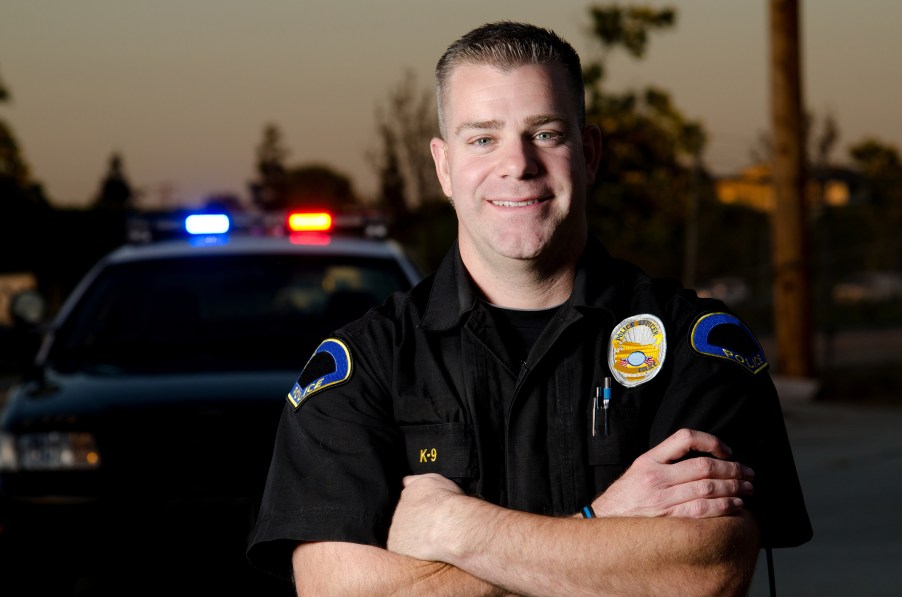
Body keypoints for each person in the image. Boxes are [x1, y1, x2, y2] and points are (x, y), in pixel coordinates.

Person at [247, 21, 812, 596]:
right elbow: (338, 590)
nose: (517, 165)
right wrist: (603, 525)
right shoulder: (364, 366)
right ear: (444, 167)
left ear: (588, 155)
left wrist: (455, 527)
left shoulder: (694, 345)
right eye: (483, 138)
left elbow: (702, 573)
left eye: (544, 133)